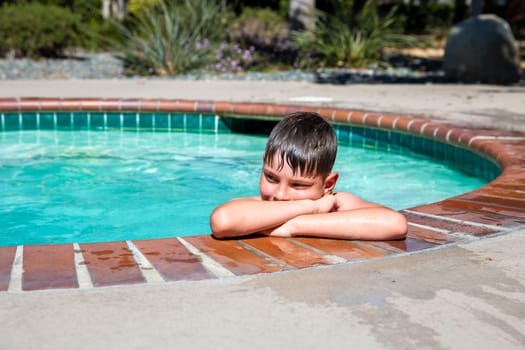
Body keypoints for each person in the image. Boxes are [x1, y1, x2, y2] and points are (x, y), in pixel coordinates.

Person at [210, 112, 407, 240]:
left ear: (328, 184)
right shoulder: (258, 205)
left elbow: (395, 224)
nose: (280, 195)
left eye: (299, 185)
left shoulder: (337, 203)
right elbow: (222, 221)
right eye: (271, 178)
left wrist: (295, 226)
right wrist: (310, 206)